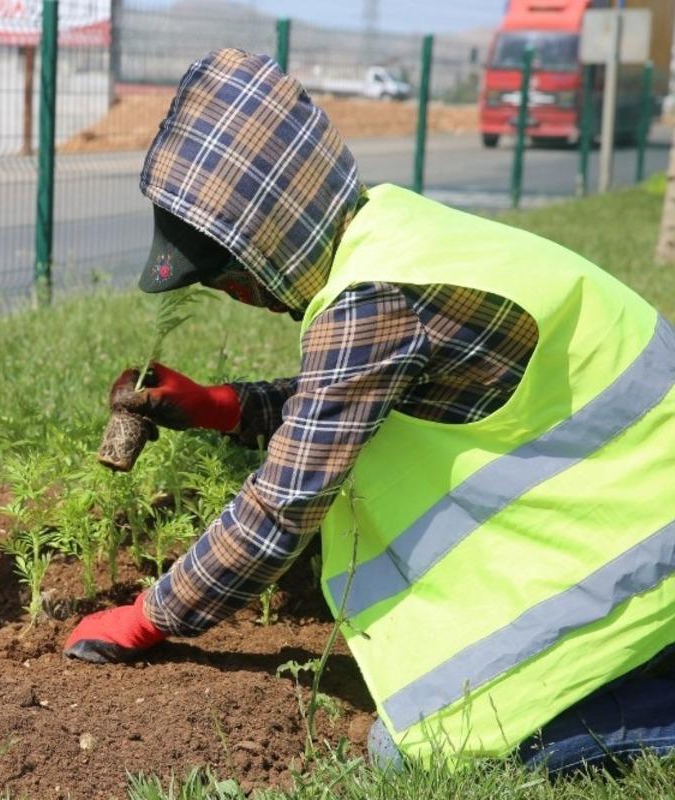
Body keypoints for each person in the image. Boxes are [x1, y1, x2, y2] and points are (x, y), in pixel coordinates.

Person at [62, 47, 675, 773]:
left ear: (267, 246)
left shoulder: (370, 301)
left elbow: (282, 508)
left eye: (230, 278)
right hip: (633, 507)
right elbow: (361, 400)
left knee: (415, 749)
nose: (239, 297)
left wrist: (146, 616)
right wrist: (222, 407)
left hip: (648, 554)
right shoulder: (394, 233)